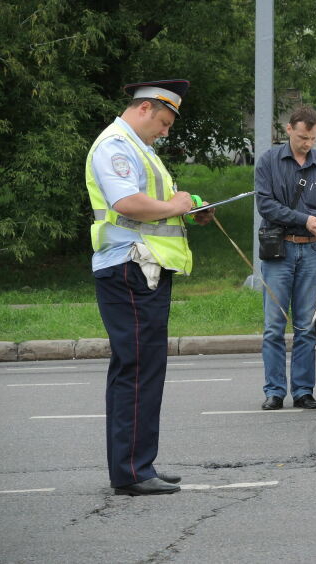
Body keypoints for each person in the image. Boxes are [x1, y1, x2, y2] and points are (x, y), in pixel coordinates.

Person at [85, 79, 215, 496]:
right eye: (163, 122)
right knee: (138, 370)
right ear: (144, 109)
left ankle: (139, 463)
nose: (165, 131)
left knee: (140, 369)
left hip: (141, 268)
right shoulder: (115, 146)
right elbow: (127, 204)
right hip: (130, 269)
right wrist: (175, 206)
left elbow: (155, 205)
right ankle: (132, 472)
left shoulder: (140, 148)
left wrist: (188, 209)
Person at [255, 106, 316, 411]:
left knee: (307, 325)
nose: (308, 143)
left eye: (313, 138)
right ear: (289, 130)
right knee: (274, 325)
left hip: (310, 250)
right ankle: (274, 391)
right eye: (304, 137)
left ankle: (304, 391)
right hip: (279, 249)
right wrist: (303, 218)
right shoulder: (269, 161)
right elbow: (265, 205)